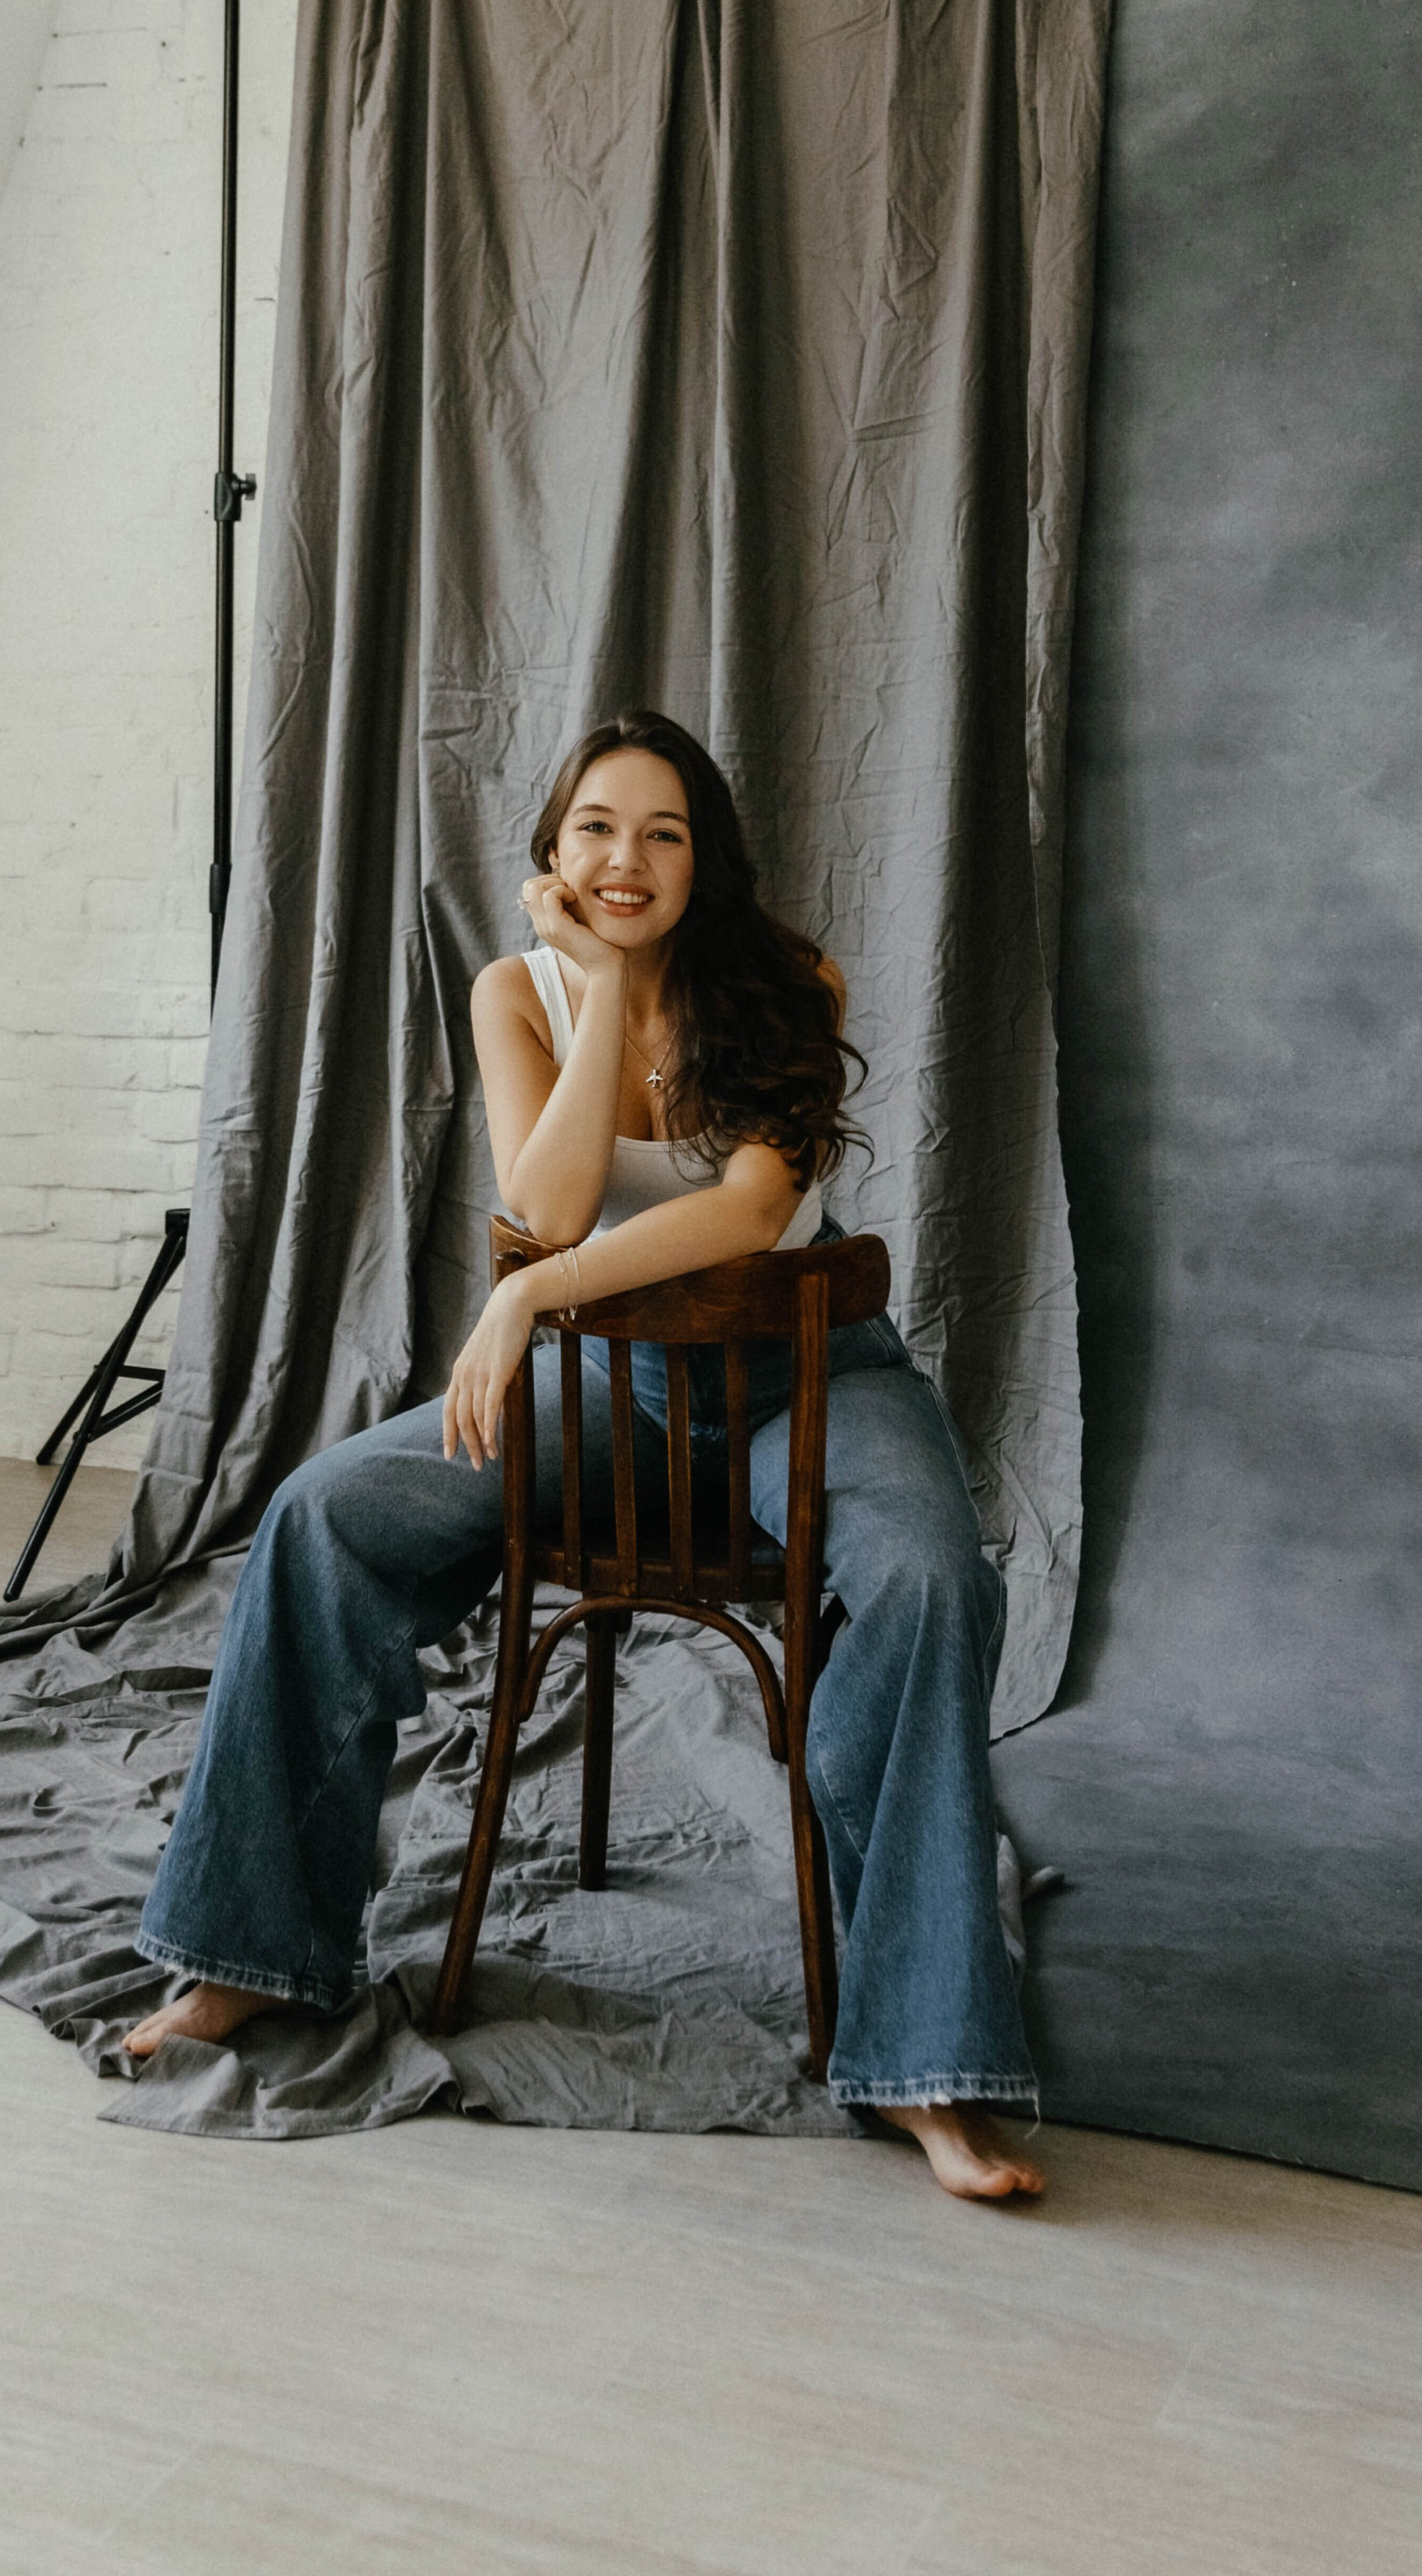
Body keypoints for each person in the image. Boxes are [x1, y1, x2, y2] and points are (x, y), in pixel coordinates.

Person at [123, 710, 1045, 2202]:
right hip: (618, 1386)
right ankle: (251, 1955)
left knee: (931, 1579)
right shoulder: (519, 992)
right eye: (599, 829)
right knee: (318, 1514)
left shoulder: (791, 981)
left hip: (808, 1375)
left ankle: (924, 2058)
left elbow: (748, 1211)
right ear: (554, 851)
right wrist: (603, 991)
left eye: (664, 833)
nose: (628, 859)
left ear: (705, 859)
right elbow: (547, 1201)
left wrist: (525, 1299)